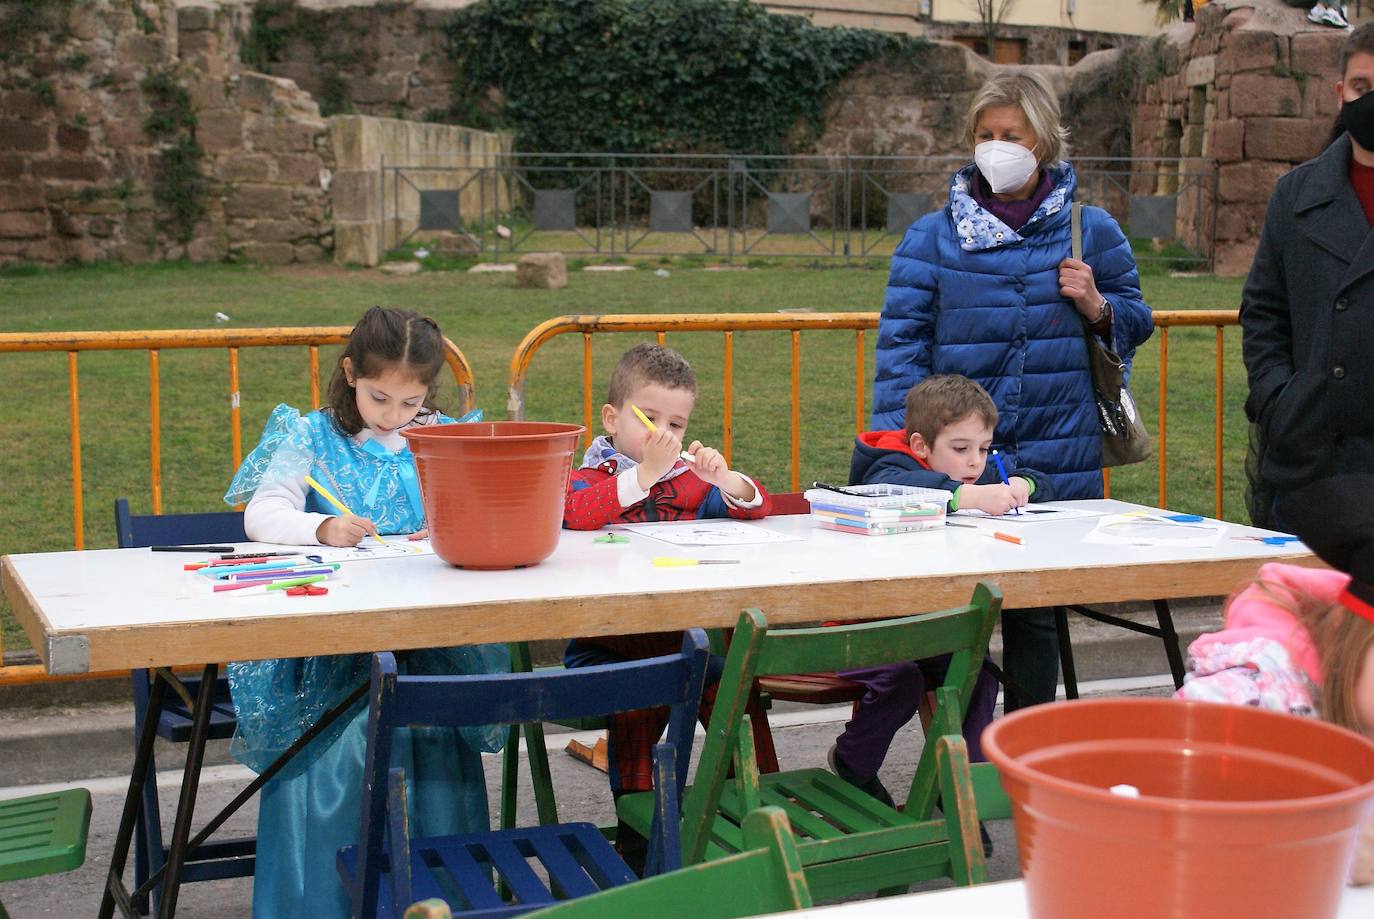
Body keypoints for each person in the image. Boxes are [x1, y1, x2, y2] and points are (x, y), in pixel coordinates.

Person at [871, 70, 1153, 708]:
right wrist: (903, 459)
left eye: (1013, 136)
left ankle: (1025, 756)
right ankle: (954, 763)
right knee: (946, 617)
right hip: (956, 458)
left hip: (1057, 453)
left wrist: (1099, 305)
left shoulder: (1093, 231)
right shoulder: (931, 238)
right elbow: (901, 355)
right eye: (986, 134)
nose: (997, 147)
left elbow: (1137, 322)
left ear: (1045, 142)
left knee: (1036, 621)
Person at [222, 306, 508, 918]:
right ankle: (325, 904)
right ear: (350, 374)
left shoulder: (437, 434)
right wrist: (321, 525)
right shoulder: (310, 434)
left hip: (426, 643)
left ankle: (440, 901)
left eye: (412, 402)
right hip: (336, 656)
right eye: (381, 397)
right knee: (349, 745)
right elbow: (261, 514)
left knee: (429, 740)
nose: (396, 415)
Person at [562, 343, 774, 862]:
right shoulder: (591, 477)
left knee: (731, 681)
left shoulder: (687, 481)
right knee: (646, 692)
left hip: (684, 642)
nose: (664, 435)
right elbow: (577, 514)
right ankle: (638, 830)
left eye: (676, 425)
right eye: (649, 418)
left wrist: (723, 480)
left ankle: (751, 803)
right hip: (610, 647)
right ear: (613, 420)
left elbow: (756, 506)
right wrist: (641, 477)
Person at [833, 374, 1055, 824]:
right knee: (903, 680)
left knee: (975, 671)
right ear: (920, 445)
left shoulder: (970, 469)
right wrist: (969, 494)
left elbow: (1043, 482)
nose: (975, 461)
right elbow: (902, 487)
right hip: (858, 626)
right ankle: (853, 765)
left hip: (928, 627)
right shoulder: (884, 466)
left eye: (984, 448)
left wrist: (1023, 487)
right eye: (961, 449)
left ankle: (959, 793)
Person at [1176, 475, 1374, 885]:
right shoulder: (1244, 701)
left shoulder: (1361, 700)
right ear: (1354, 641)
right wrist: (1331, 846)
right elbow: (1172, 825)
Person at [1240, 24, 1374, 530]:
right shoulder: (1296, 194)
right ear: (1341, 93)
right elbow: (1263, 312)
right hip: (1313, 456)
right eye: (1363, 87)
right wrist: (1280, 400)